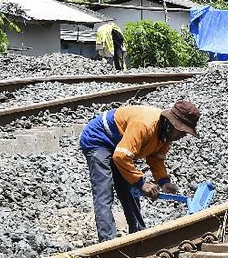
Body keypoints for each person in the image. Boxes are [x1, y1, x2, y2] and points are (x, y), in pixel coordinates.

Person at [79, 101, 200, 241]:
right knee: (104, 191)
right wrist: (141, 183)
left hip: (120, 144)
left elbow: (156, 159)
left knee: (129, 189)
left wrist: (163, 181)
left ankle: (137, 234)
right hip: (99, 138)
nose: (183, 135)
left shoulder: (166, 135)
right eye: (183, 131)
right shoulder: (145, 125)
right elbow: (121, 156)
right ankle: (107, 241)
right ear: (173, 124)